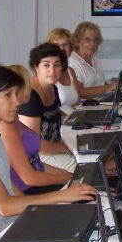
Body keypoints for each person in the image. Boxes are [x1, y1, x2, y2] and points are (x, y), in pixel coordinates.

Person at [0, 64, 97, 242]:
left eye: (16, 94)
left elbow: (13, 190)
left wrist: (48, 209)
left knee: (88, 219)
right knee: (86, 233)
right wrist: (62, 196)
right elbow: (5, 207)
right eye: (8, 95)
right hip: (0, 235)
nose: (16, 102)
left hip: (15, 223)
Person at [0, 65, 73, 194]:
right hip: (29, 191)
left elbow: (36, 163)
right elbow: (29, 178)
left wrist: (67, 175)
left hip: (37, 183)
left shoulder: (14, 120)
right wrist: (67, 179)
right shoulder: (6, 125)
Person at [18, 43, 75, 172]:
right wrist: (66, 148)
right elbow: (35, 145)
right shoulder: (30, 97)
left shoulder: (53, 88)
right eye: (46, 65)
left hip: (54, 148)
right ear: (36, 66)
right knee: (86, 166)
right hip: (38, 157)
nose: (52, 71)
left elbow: (56, 114)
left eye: (57, 65)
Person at [67, 22, 116, 99]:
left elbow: (99, 84)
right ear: (77, 41)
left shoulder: (95, 59)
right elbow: (79, 92)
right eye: (87, 40)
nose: (92, 43)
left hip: (100, 101)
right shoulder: (72, 62)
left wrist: (114, 86)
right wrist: (108, 87)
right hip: (84, 105)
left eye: (95, 40)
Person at [44, 27, 81, 115]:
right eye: (57, 45)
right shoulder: (45, 72)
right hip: (57, 121)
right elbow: (45, 107)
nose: (61, 48)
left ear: (71, 48)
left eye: (65, 44)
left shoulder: (71, 71)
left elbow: (77, 103)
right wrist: (66, 119)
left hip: (73, 119)